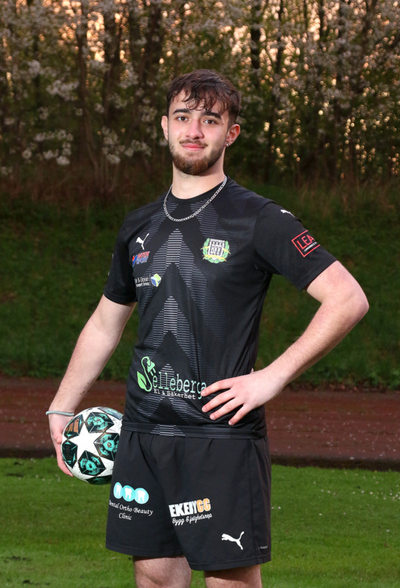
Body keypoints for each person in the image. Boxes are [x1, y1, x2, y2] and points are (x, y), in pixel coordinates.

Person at [48, 69, 369, 588]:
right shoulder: (139, 224)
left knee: (229, 582)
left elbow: (347, 298)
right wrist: (62, 405)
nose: (193, 130)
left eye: (210, 120)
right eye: (182, 117)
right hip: (144, 432)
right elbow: (106, 322)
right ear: (164, 127)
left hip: (220, 436)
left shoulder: (259, 218)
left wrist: (272, 376)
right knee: (154, 578)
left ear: (230, 133)